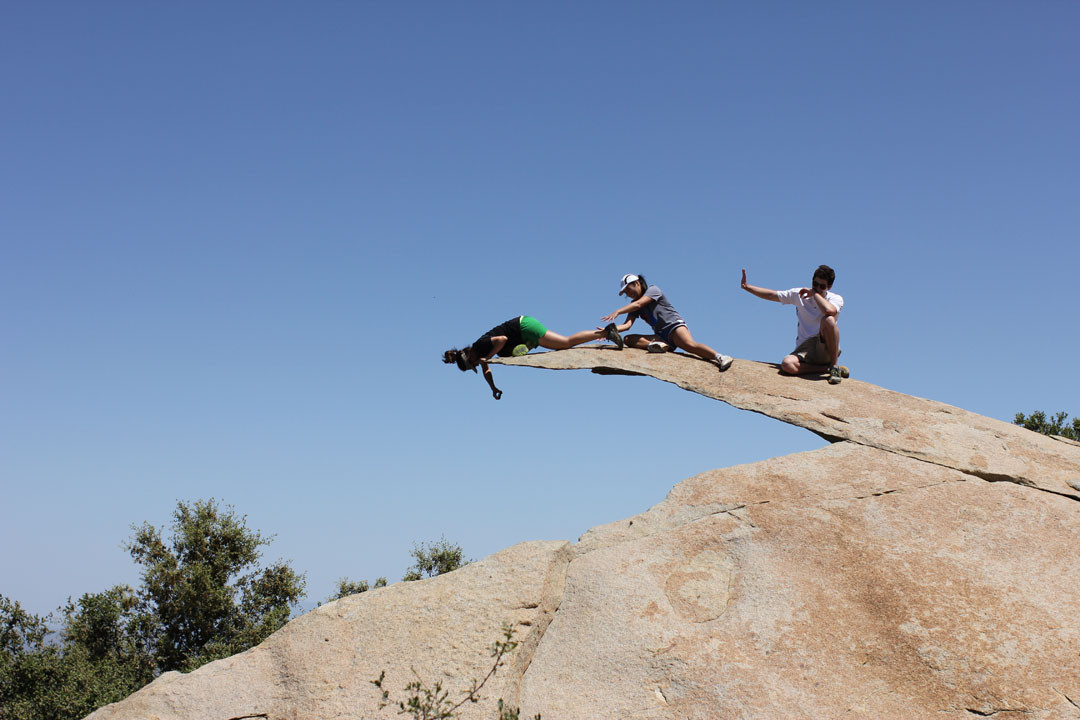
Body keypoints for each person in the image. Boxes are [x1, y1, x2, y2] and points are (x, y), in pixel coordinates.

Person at [443, 315, 623, 399]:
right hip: (523, 332)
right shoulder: (480, 353)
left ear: (469, 358)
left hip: (524, 327)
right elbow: (486, 369)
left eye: (473, 364)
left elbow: (502, 339)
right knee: (563, 345)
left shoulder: (480, 347)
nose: (477, 364)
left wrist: (489, 357)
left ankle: (607, 333)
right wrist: (493, 387)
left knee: (566, 342)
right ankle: (607, 333)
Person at [740, 265, 849, 384]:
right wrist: (747, 287)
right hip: (805, 349)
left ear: (829, 287)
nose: (817, 287)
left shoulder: (836, 298)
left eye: (821, 286)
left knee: (828, 320)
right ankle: (825, 369)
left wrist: (815, 294)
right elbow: (772, 295)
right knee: (787, 365)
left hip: (825, 347)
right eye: (815, 284)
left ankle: (834, 367)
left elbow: (830, 311)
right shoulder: (799, 294)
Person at [601, 274, 733, 371]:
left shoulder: (653, 290)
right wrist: (608, 332)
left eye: (628, 290)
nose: (628, 294)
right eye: (625, 293)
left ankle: (720, 357)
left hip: (674, 327)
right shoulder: (633, 305)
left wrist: (618, 311)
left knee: (689, 345)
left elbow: (639, 304)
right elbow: (627, 325)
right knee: (628, 339)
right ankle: (658, 345)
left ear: (637, 283)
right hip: (661, 336)